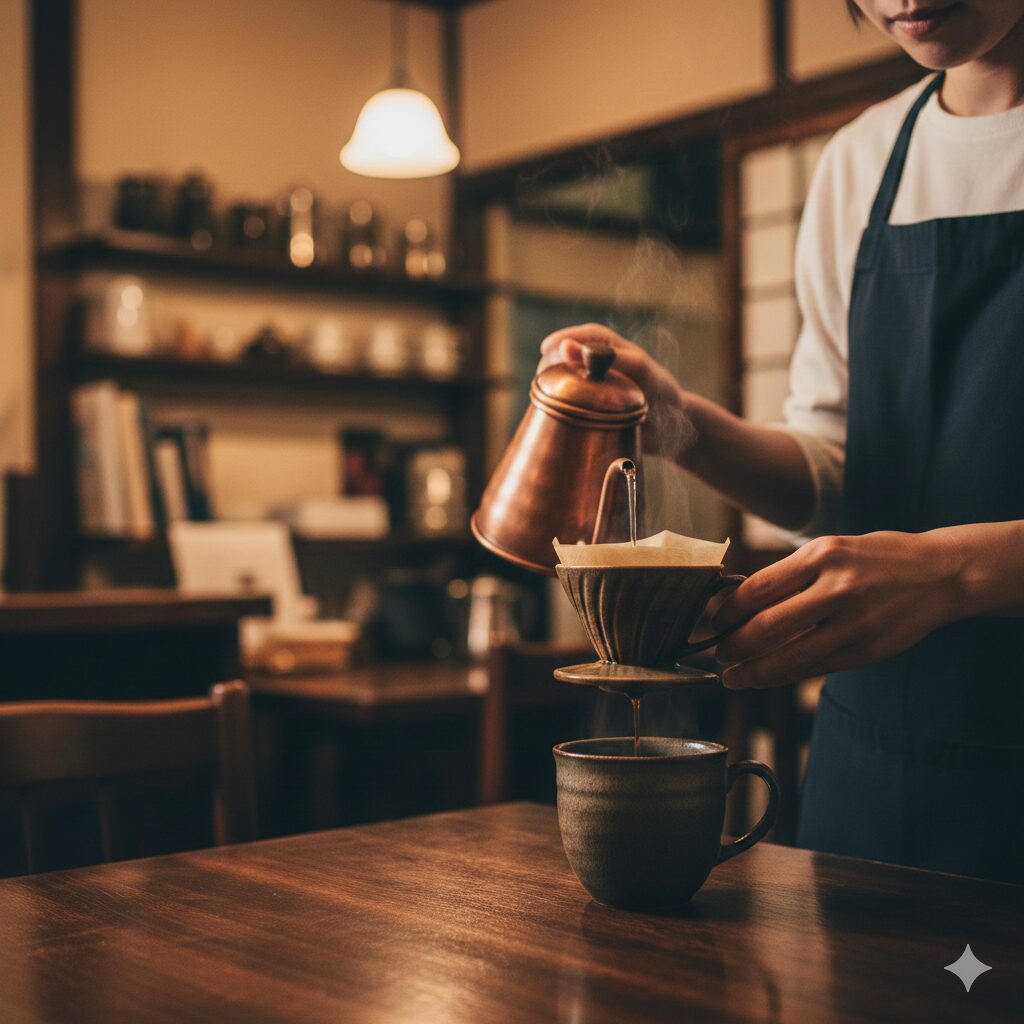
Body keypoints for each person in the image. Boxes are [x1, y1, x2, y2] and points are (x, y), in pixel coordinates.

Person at [537, 0, 1024, 884]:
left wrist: (951, 574)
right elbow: (837, 467)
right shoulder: (864, 162)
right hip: (876, 766)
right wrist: (679, 422)